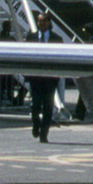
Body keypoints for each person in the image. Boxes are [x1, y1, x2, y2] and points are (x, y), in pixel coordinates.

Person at [26, 13, 62, 143]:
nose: (41, 23)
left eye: (44, 21)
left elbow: (59, 59)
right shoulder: (31, 37)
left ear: (49, 23)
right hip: (35, 79)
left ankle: (44, 133)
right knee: (35, 106)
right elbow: (27, 57)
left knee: (48, 107)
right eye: (39, 21)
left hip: (49, 79)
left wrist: (56, 77)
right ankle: (36, 124)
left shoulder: (57, 39)